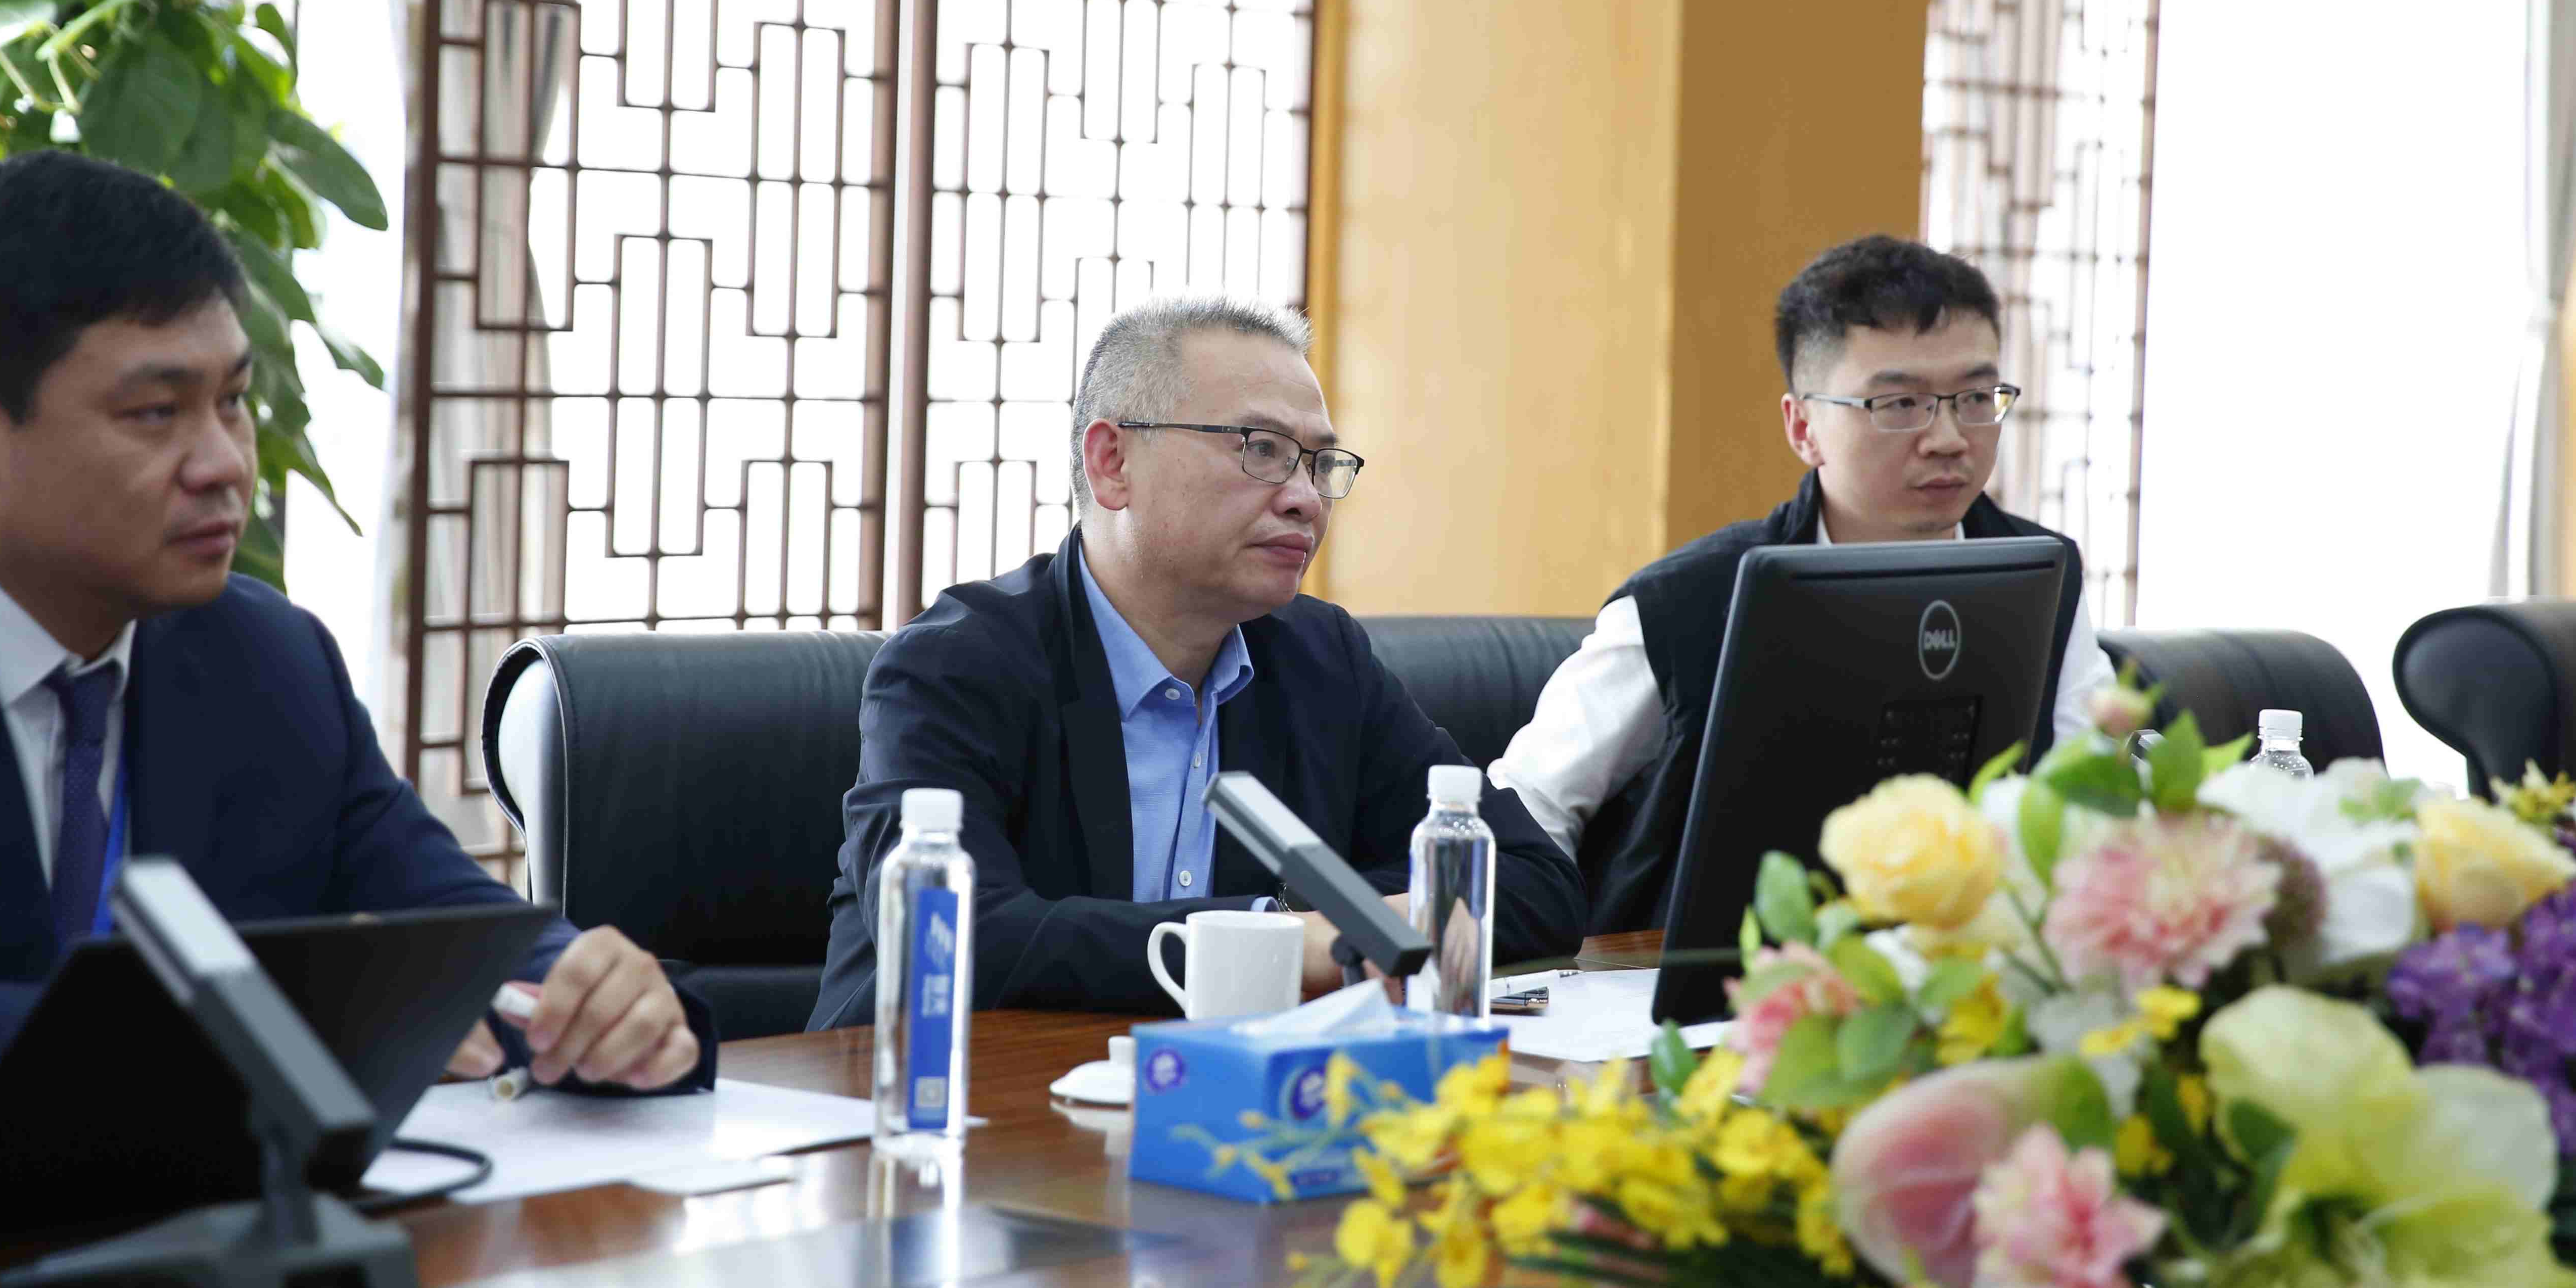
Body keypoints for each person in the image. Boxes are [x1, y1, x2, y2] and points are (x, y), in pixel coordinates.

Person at [0, 151, 710, 1151]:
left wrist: (604, 1002)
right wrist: (233, 1039)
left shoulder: (265, 660)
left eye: (232, 400)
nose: (226, 464)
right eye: (156, 413)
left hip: (225, 1234)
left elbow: (455, 943)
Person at [809, 299, 1586, 1028]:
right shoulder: (956, 665)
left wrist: (1321, 927)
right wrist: (1287, 940)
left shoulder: (1323, 661)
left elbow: (1532, 883)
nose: (1306, 499)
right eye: (1262, 449)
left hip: (1228, 1098)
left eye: (1319, 462)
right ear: (1113, 463)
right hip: (941, 1096)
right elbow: (951, 933)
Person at [1491, 236, 2116, 932]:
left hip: (1977, 966)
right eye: (1900, 403)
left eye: (1975, 397)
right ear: (1803, 427)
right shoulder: (1687, 605)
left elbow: (2102, 799)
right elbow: (1525, 812)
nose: (1948, 437)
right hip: (1714, 974)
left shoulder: (2042, 573)